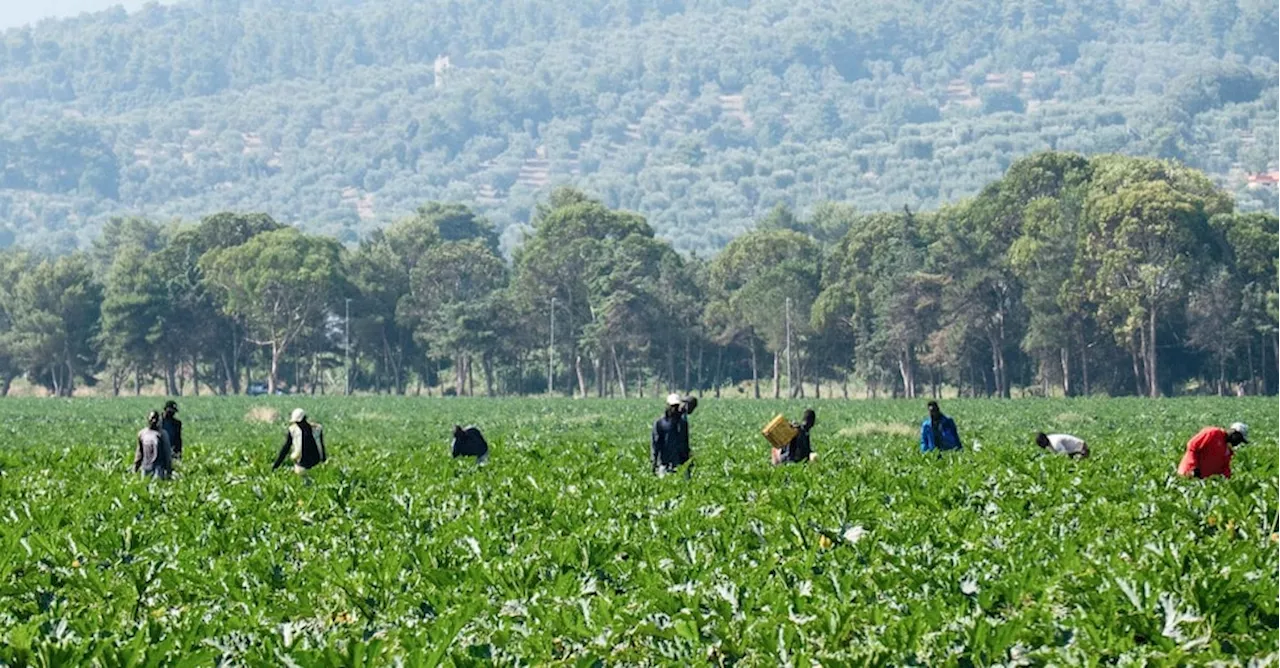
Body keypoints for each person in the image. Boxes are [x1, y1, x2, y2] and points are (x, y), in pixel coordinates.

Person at [1178, 422, 1248, 479]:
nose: (1238, 442)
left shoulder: (1227, 450)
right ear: (1233, 432)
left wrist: (1228, 480)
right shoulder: (1213, 433)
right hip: (1189, 473)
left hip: (1202, 481)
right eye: (1238, 439)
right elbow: (1192, 446)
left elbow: (1224, 468)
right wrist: (1193, 467)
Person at [652, 392, 697, 475]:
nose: (674, 409)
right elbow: (656, 444)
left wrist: (689, 460)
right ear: (667, 406)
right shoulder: (660, 423)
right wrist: (654, 464)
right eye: (672, 406)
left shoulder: (682, 423)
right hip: (665, 464)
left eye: (676, 406)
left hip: (681, 464)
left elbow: (685, 443)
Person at [272, 408, 327, 474]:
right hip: (301, 465)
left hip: (316, 465)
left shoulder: (317, 429)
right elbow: (286, 448)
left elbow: (321, 446)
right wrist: (276, 465)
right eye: (297, 423)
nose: (299, 424)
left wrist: (324, 462)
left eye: (300, 422)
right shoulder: (293, 431)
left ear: (305, 419)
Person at [133, 411, 173, 479]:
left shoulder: (162, 434)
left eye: (156, 419)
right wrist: (136, 467)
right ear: (148, 419)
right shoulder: (142, 434)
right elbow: (139, 452)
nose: (154, 421)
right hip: (145, 467)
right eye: (152, 418)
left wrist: (168, 469)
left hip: (158, 467)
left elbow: (167, 452)